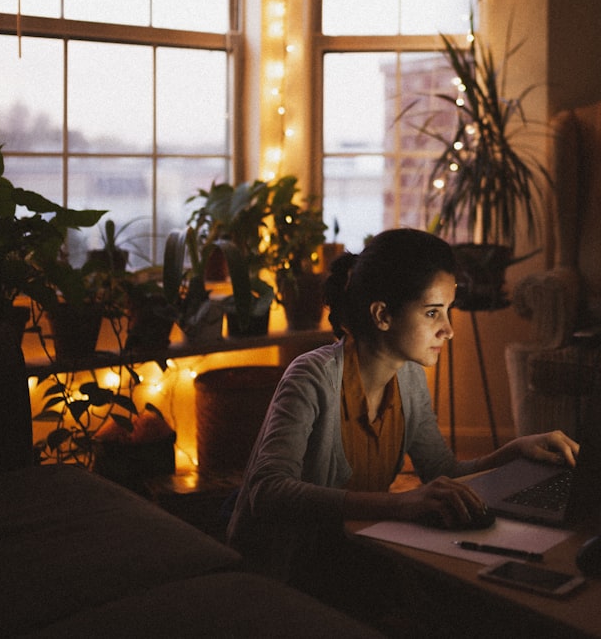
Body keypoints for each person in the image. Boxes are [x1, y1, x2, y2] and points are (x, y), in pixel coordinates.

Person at [226, 228, 578, 620]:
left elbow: (443, 472)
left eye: (448, 311)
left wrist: (514, 451)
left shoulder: (408, 378)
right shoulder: (311, 377)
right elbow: (267, 491)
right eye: (432, 313)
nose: (448, 328)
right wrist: (397, 504)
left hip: (351, 555)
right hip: (288, 574)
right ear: (382, 315)